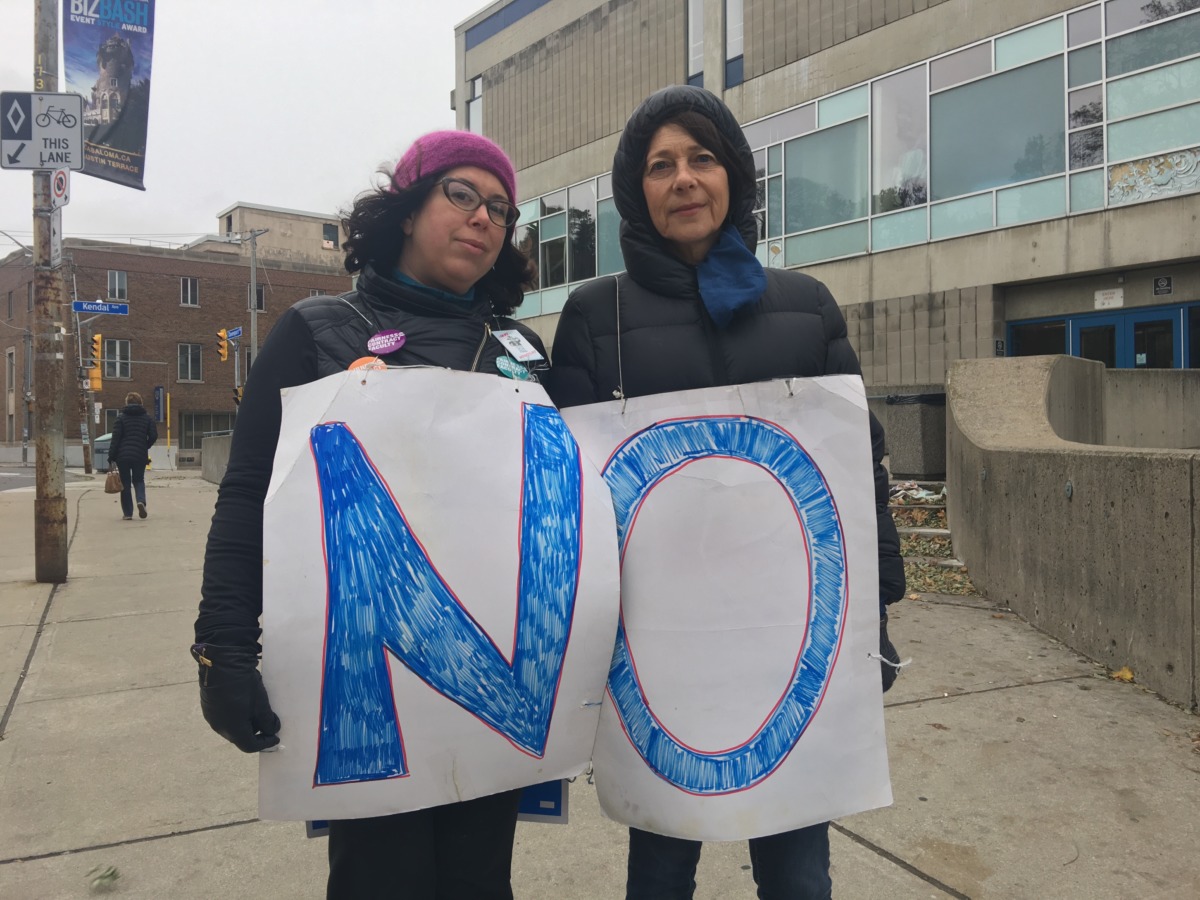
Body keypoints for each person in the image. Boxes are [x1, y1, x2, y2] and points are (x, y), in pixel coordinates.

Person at [545, 85, 906, 900]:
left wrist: (875, 611)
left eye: (702, 159)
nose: (683, 180)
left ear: (734, 176)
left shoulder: (805, 306)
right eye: (660, 165)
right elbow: (564, 493)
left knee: (798, 871)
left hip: (785, 638)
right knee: (662, 867)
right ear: (634, 191)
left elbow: (857, 464)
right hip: (657, 650)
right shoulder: (594, 315)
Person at [193, 131, 544, 900]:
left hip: (493, 680)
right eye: (460, 194)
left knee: (482, 881)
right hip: (364, 689)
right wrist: (224, 645)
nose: (483, 217)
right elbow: (248, 494)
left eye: (500, 208)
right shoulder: (318, 330)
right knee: (380, 881)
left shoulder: (522, 351)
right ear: (407, 207)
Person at [107, 391, 157, 520]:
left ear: (127, 403)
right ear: (140, 403)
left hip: (122, 456)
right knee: (139, 480)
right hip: (140, 455)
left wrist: (111, 456)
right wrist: (145, 445)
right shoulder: (147, 418)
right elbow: (154, 435)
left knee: (125, 483)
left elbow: (115, 439)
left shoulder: (121, 418)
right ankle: (141, 501)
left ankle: (128, 513)